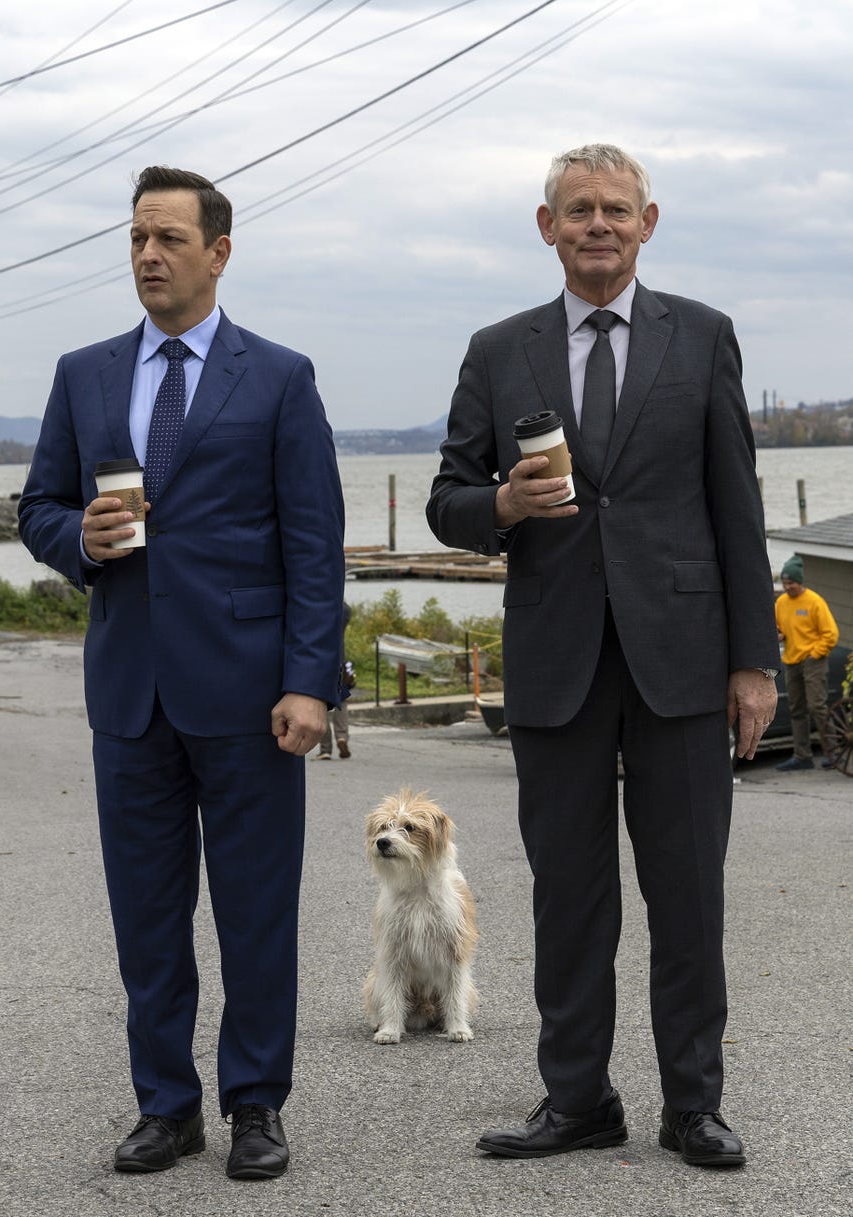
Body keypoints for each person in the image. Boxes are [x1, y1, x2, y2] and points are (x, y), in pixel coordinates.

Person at [426, 144, 780, 1169]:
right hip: (556, 662)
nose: (597, 225)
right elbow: (449, 498)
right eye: (577, 209)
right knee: (569, 899)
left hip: (683, 658)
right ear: (547, 227)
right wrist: (501, 502)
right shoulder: (498, 349)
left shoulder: (701, 335)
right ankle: (577, 1097)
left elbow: (736, 504)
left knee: (688, 897)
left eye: (615, 209)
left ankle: (693, 1104)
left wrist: (753, 660)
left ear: (646, 223)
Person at [18, 167, 345, 1181]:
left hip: (251, 695)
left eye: (168, 237)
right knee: (147, 920)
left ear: (219, 252)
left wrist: (311, 680)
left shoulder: (279, 376)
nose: (149, 254)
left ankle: (255, 1103)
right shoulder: (84, 373)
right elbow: (37, 506)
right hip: (130, 693)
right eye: (136, 238)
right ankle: (165, 1106)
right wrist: (79, 537)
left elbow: (314, 543)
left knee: (255, 914)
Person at [774, 554, 839, 771]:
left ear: (799, 581)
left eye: (791, 583)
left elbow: (830, 634)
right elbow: (779, 628)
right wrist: (779, 635)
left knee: (817, 706)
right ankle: (802, 756)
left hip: (813, 661)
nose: (787, 587)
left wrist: (815, 654)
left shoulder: (814, 602)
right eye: (784, 583)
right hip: (791, 660)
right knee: (796, 709)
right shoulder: (781, 603)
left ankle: (833, 753)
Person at [317, 601, 353, 759]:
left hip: (318, 660)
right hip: (339, 659)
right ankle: (342, 736)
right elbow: (346, 609)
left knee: (319, 702)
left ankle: (325, 748)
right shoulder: (343, 610)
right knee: (341, 700)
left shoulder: (318, 608)